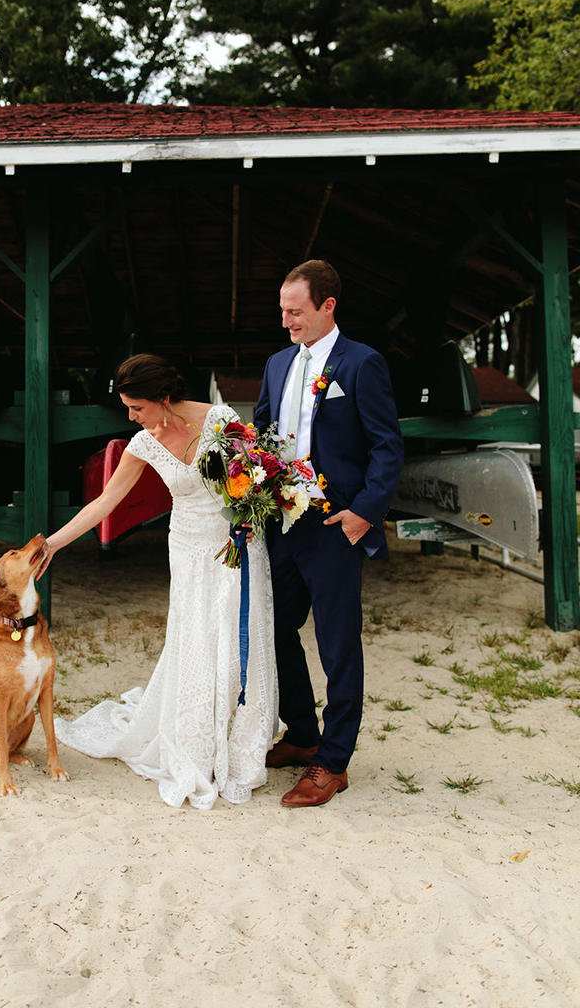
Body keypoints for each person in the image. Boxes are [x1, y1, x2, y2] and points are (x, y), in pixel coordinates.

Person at [44, 354, 278, 810]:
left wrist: (251, 510)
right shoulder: (143, 443)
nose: (132, 418)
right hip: (189, 549)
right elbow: (104, 502)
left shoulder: (220, 420)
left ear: (164, 398)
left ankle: (238, 736)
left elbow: (255, 479)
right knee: (196, 639)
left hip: (238, 544)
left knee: (236, 635)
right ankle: (197, 740)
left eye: (138, 408)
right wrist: (52, 544)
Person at [253, 260, 404, 808]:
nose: (287, 321)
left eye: (296, 311)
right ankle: (301, 733)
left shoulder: (362, 364)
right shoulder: (276, 364)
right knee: (274, 628)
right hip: (282, 521)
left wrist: (364, 512)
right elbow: (265, 436)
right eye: (283, 311)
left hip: (335, 525)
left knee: (338, 644)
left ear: (327, 306)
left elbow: (388, 446)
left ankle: (333, 762)